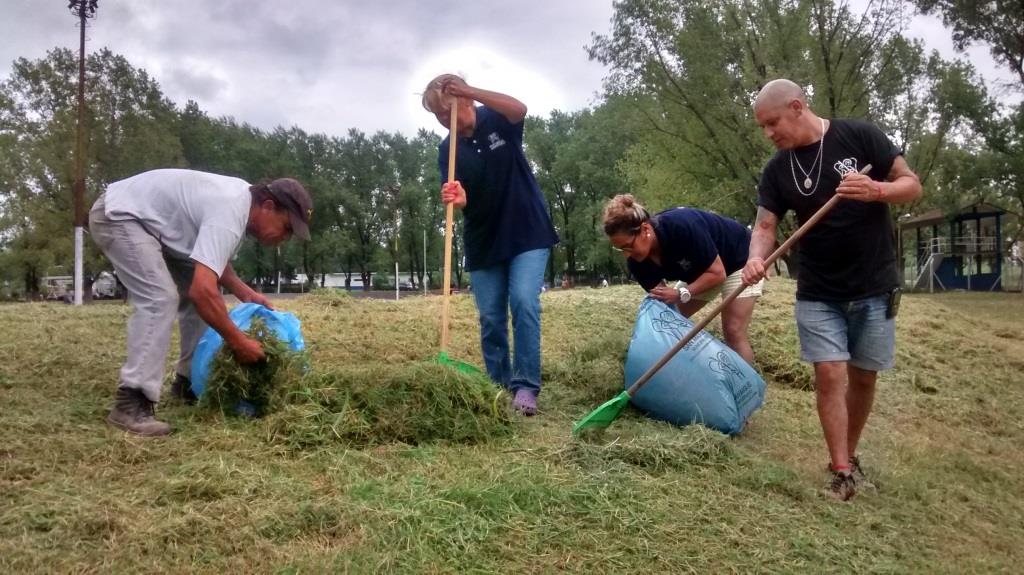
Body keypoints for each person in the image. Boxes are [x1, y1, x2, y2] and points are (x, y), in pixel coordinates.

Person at [742, 79, 922, 501]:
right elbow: (765, 226)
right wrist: (755, 259)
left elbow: (911, 185)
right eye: (762, 127)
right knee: (829, 373)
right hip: (819, 289)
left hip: (874, 283)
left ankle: (852, 455)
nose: (769, 134)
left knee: (863, 377)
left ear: (797, 106)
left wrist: (876, 190)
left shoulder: (859, 136)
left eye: (772, 123)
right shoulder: (777, 169)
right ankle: (840, 469)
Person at [88, 169, 313, 436]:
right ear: (268, 206)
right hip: (121, 216)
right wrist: (239, 342)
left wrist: (246, 293)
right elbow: (202, 292)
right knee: (160, 298)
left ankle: (187, 382)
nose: (284, 238)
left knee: (203, 294)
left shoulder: (238, 207)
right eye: (286, 227)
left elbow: (215, 264)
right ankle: (132, 402)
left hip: (154, 226)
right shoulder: (231, 211)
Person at [422, 74, 559, 416]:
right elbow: (458, 197)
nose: (442, 120)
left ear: (464, 101)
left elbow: (520, 108)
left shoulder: (497, 118)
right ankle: (499, 385)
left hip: (526, 229)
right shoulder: (448, 150)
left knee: (524, 301)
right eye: (437, 116)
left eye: (445, 111)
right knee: (491, 318)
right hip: (484, 240)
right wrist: (458, 198)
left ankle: (526, 387)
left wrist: (469, 90)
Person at [602, 195, 763, 365]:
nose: (627, 254)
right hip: (701, 271)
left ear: (645, 229)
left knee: (733, 331)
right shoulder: (636, 262)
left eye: (629, 246)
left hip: (739, 260)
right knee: (668, 324)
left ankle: (747, 389)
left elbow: (717, 274)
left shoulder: (680, 227)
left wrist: (681, 293)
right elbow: (663, 303)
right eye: (621, 249)